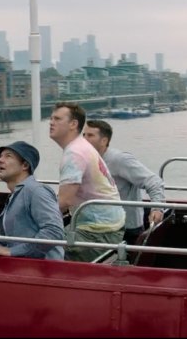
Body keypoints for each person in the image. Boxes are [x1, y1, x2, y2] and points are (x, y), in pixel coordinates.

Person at [49, 102, 124, 262]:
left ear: (73, 124)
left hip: (97, 233)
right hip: (109, 227)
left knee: (37, 245)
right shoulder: (82, 147)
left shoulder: (74, 153)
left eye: (57, 119)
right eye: (51, 118)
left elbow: (64, 201)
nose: (51, 122)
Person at [0, 141, 65, 260]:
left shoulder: (36, 191)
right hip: (20, 266)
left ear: (25, 165)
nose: (0, 160)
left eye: (8, 156)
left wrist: (13, 251)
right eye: (0, 157)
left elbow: (54, 231)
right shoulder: (15, 196)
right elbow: (8, 244)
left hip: (43, 268)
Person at [84, 120, 166, 245]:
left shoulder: (120, 159)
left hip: (126, 229)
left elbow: (153, 181)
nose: (84, 139)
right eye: (83, 135)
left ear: (104, 141)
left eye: (90, 135)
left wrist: (157, 208)